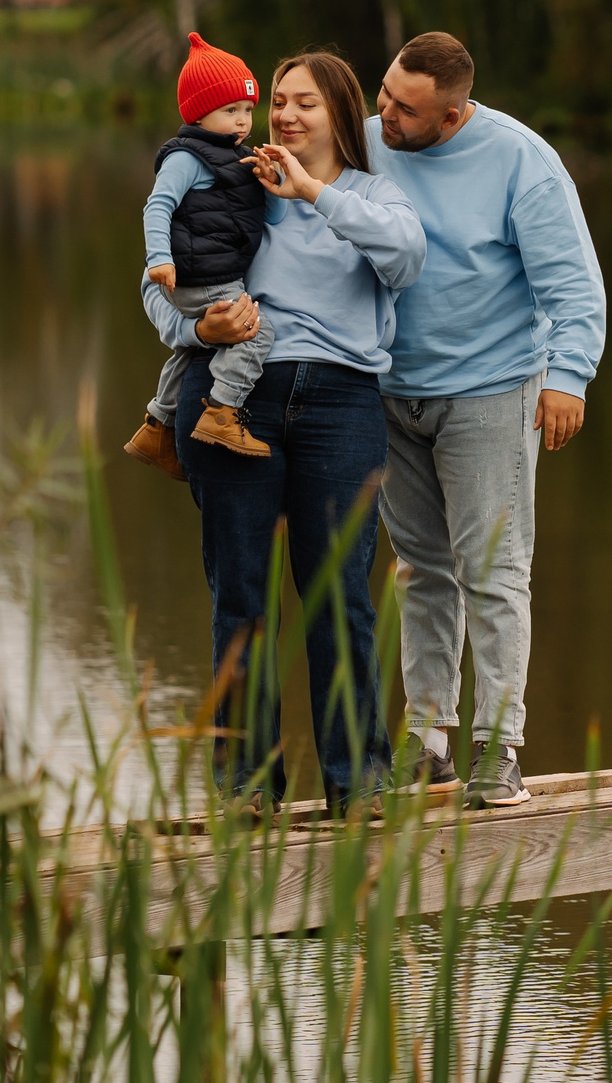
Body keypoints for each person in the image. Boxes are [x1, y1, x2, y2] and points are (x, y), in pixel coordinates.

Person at [159, 51, 424, 816]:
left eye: (303, 102)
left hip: (341, 404)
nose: (284, 115)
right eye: (277, 101)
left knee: (340, 595)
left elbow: (407, 261)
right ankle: (245, 786)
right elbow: (157, 283)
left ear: (340, 111)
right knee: (240, 594)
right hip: (233, 400)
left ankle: (360, 781)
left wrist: (312, 191)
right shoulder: (225, 182)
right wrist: (200, 322)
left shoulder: (377, 195)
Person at [366, 31, 605, 808]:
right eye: (385, 95)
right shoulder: (367, 142)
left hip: (492, 389)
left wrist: (567, 376)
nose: (387, 115)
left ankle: (497, 748)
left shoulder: (520, 159)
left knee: (494, 574)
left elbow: (573, 281)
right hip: (391, 389)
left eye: (406, 109)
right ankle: (428, 739)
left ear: (455, 112)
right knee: (420, 568)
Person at [124, 33, 274, 479]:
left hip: (209, 272)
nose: (243, 121)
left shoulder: (231, 154)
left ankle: (156, 426)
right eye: (231, 111)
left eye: (247, 110)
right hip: (202, 276)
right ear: (198, 113)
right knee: (256, 332)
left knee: (192, 353)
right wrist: (159, 260)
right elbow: (158, 206)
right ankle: (223, 412)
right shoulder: (186, 158)